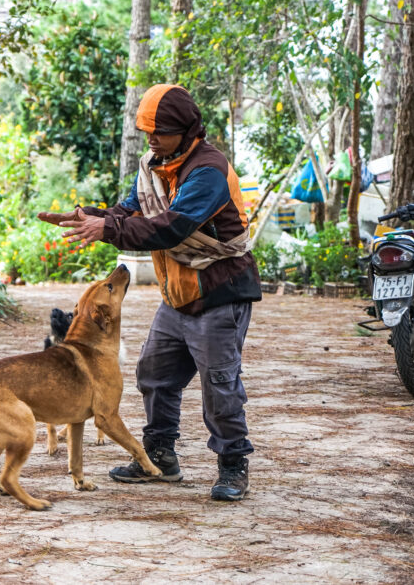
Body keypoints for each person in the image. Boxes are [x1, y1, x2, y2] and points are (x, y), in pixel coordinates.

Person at [38, 84, 260, 501]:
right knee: (154, 375)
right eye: (148, 131)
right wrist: (93, 216)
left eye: (162, 131)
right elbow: (131, 211)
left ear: (188, 129)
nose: (152, 139)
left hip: (219, 292)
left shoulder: (208, 171)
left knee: (219, 384)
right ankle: (159, 456)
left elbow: (171, 226)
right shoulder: (154, 165)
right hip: (177, 294)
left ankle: (233, 465)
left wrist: (108, 229)